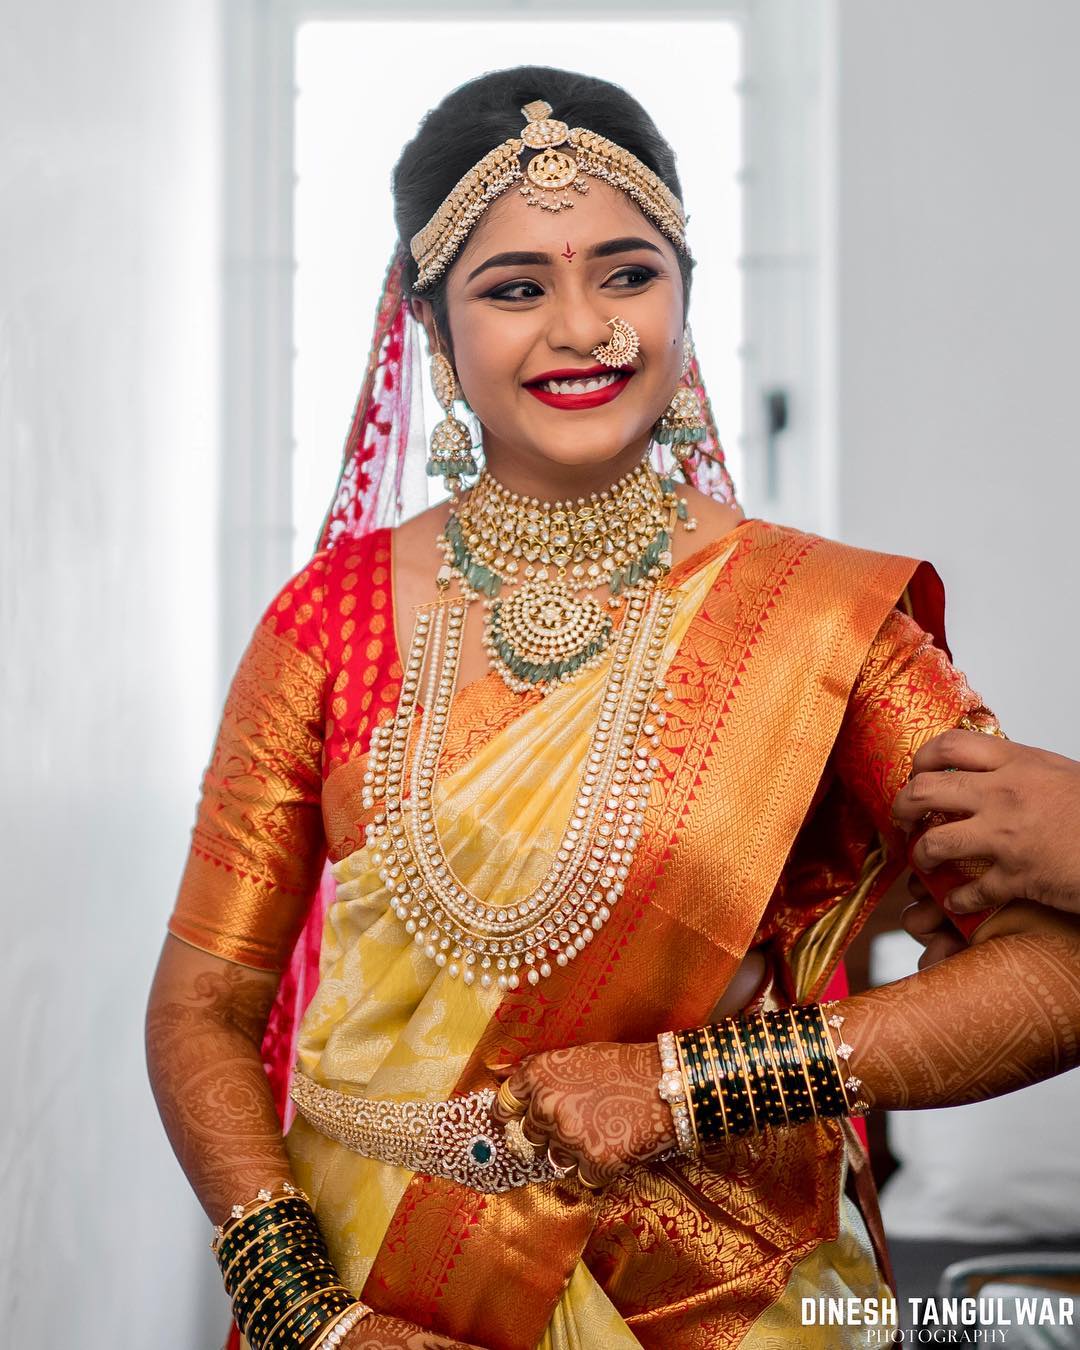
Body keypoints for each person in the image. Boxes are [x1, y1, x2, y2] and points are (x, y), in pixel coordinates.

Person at [146, 66, 1080, 1350]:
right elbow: (202, 1004)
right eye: (516, 287)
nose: (583, 326)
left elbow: (1056, 968)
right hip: (378, 1288)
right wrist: (305, 1312)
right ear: (431, 330)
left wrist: (685, 1083)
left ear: (685, 295)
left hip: (723, 1297)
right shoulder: (329, 622)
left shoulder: (816, 624)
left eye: (628, 273)